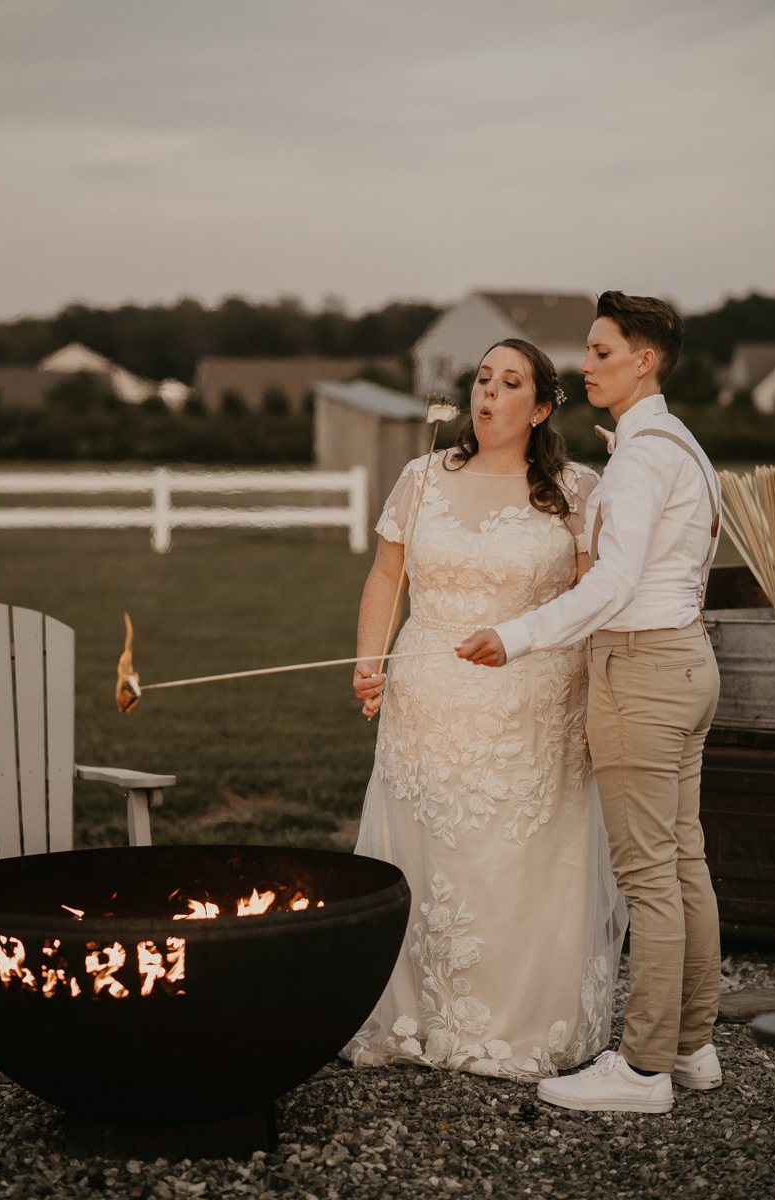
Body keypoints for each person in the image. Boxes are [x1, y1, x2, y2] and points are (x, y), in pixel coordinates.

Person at [458, 292, 723, 1114]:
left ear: (644, 359)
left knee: (648, 875)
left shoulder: (645, 456)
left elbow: (613, 581)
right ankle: (692, 1047)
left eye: (602, 352)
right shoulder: (678, 442)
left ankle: (641, 1070)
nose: (586, 363)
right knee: (682, 864)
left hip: (643, 669)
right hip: (686, 662)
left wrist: (520, 633)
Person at [341, 338, 627, 1082]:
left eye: (509, 383)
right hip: (428, 696)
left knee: (518, 860)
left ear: (538, 409)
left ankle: (518, 1021)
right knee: (429, 847)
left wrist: (599, 700)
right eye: (481, 379)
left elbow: (592, 606)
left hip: (535, 701)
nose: (487, 393)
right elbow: (385, 576)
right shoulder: (421, 475)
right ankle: (417, 1017)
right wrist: (369, 661)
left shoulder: (575, 489)